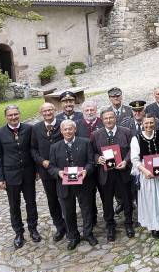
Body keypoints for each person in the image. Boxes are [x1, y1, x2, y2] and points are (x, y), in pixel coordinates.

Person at [0, 105, 40, 249]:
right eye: (10, 115)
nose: (13, 117)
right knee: (14, 206)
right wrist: (0, 178)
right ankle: (19, 232)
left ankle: (33, 229)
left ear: (19, 114)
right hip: (10, 175)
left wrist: (37, 170)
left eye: (15, 114)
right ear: (6, 117)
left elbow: (34, 150)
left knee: (31, 203)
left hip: (28, 173)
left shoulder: (29, 129)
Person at [48, 120, 96, 250]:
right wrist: (59, 172)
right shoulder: (54, 147)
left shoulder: (85, 142)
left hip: (83, 183)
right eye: (65, 129)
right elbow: (51, 167)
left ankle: (88, 233)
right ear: (61, 131)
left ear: (75, 130)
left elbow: (91, 162)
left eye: (70, 129)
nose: (68, 131)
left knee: (86, 210)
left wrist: (86, 170)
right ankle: (73, 236)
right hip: (64, 185)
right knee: (68, 213)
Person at [91, 109, 135, 242]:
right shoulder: (96, 135)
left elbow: (132, 150)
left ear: (115, 118)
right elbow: (91, 152)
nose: (109, 120)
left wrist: (126, 161)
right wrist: (97, 158)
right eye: (106, 118)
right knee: (107, 202)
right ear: (102, 120)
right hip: (106, 174)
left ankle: (129, 223)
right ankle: (110, 226)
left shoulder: (126, 132)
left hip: (123, 172)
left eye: (111, 117)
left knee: (127, 200)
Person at [130, 113, 159, 238]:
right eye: (146, 123)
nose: (149, 125)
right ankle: (155, 226)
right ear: (142, 124)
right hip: (146, 171)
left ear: (154, 123)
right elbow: (134, 159)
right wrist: (144, 171)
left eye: (151, 123)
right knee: (151, 198)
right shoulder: (137, 138)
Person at [30, 103, 66, 242]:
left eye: (50, 109)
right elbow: (33, 149)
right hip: (46, 170)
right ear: (41, 113)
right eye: (44, 111)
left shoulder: (64, 124)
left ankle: (70, 224)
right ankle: (59, 226)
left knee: (66, 197)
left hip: (63, 169)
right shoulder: (36, 128)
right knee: (52, 199)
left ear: (55, 110)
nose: (48, 112)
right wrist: (41, 161)